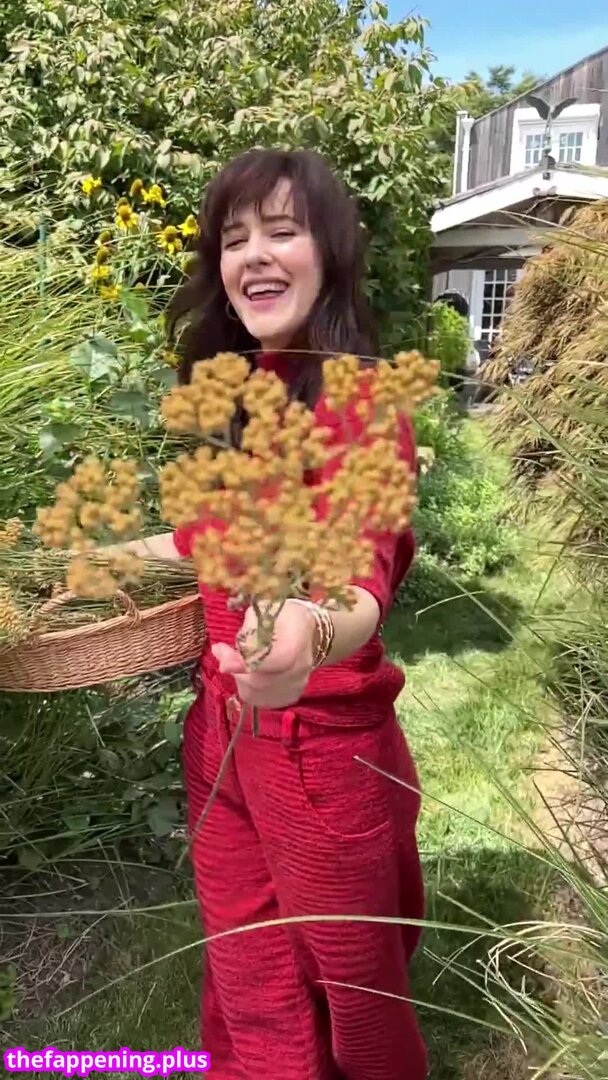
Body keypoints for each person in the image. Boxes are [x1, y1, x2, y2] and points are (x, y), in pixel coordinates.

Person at [131, 149, 426, 1080]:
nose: (254, 254)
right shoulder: (245, 402)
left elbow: (361, 580)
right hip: (221, 739)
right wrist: (86, 562)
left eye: (283, 231)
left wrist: (306, 631)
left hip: (319, 756)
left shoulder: (363, 403)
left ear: (330, 253)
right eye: (234, 238)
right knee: (247, 973)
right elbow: (200, 540)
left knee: (355, 996)